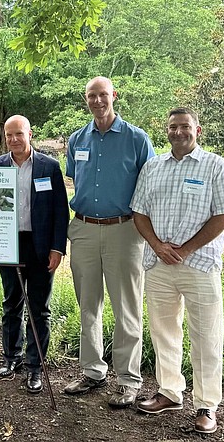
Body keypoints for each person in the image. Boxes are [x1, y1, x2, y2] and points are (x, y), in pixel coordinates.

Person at [130, 108, 224, 434]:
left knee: (206, 336)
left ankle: (206, 404)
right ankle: (169, 392)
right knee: (164, 332)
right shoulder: (153, 167)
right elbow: (139, 213)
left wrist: (186, 249)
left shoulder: (215, 166)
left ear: (198, 130)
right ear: (167, 130)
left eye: (184, 127)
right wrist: (157, 245)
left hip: (200, 265)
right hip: (159, 264)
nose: (178, 132)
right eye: (173, 127)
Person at [64, 76, 155, 408]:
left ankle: (129, 379)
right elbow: (75, 176)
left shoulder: (136, 139)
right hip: (85, 229)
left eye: (103, 95)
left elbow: (151, 185)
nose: (98, 101)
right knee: (88, 306)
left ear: (114, 96)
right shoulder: (77, 139)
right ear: (86, 99)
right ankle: (92, 371)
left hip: (124, 230)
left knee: (126, 308)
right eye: (91, 96)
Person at [0, 115, 69, 392]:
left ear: (30, 134)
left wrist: (57, 247)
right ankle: (10, 358)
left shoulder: (49, 167)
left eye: (19, 134)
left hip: (40, 246)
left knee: (39, 308)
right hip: (8, 244)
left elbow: (60, 211)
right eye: (9, 135)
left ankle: (35, 367)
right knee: (11, 303)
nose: (14, 140)